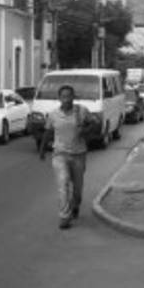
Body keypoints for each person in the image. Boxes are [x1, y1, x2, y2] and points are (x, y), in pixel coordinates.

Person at [42, 84, 102, 229]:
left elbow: (97, 124)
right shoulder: (53, 115)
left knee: (77, 189)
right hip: (60, 154)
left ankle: (75, 205)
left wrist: (85, 130)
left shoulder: (82, 111)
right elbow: (48, 132)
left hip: (79, 155)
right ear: (59, 98)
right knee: (63, 184)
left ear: (73, 97)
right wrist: (42, 149)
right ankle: (64, 216)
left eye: (69, 96)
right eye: (63, 96)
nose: (66, 99)